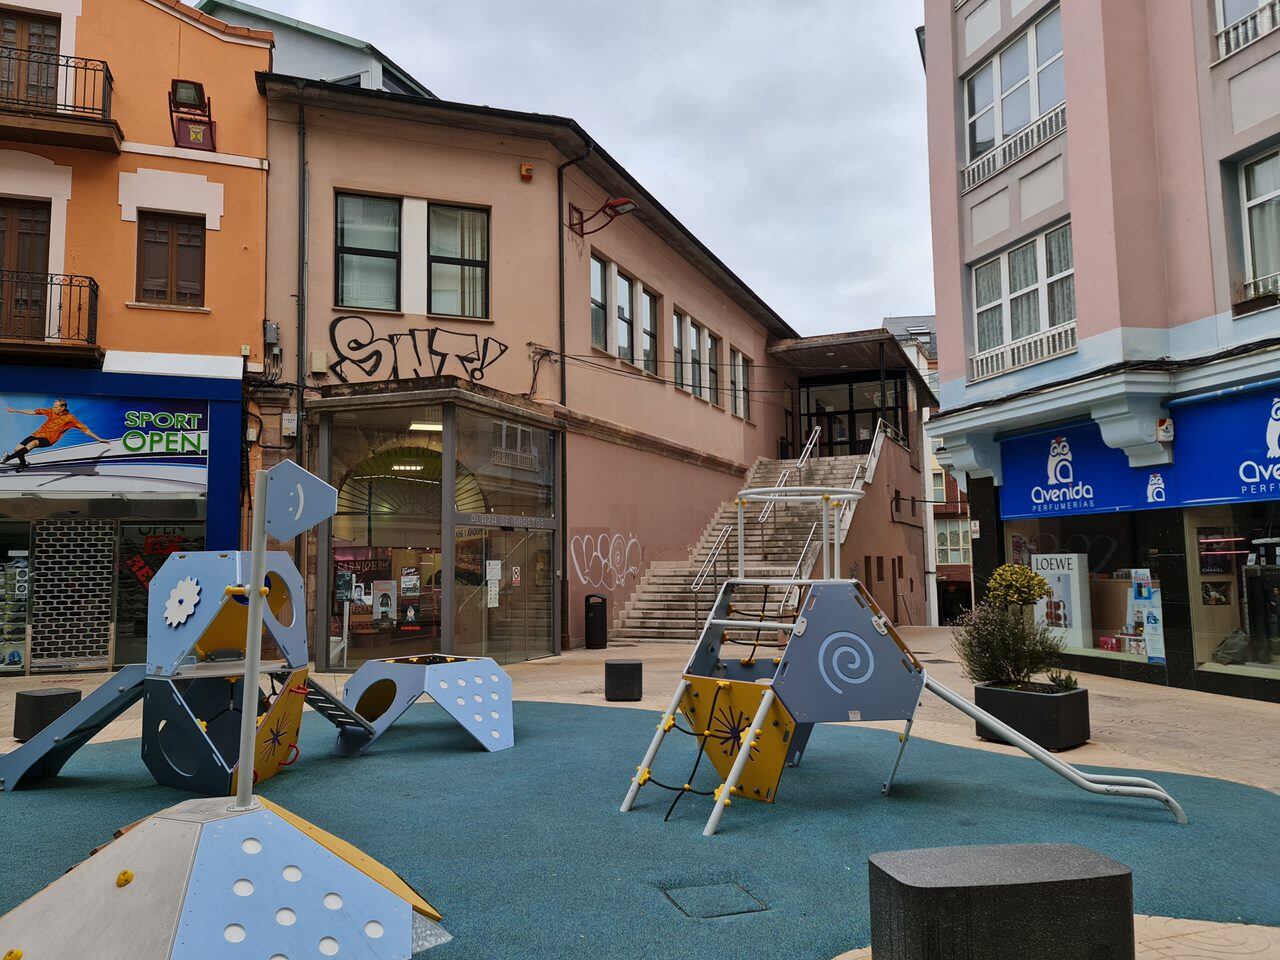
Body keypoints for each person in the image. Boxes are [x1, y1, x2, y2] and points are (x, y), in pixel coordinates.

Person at [2, 399, 108, 472]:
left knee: (32, 444)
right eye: (54, 406)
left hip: (49, 439)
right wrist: (16, 410)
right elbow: (33, 412)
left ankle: (7, 458)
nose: (54, 408)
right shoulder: (51, 411)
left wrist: (99, 439)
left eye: (56, 407)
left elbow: (86, 430)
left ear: (63, 407)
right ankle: (23, 464)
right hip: (37, 434)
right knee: (17, 449)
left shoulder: (70, 419)